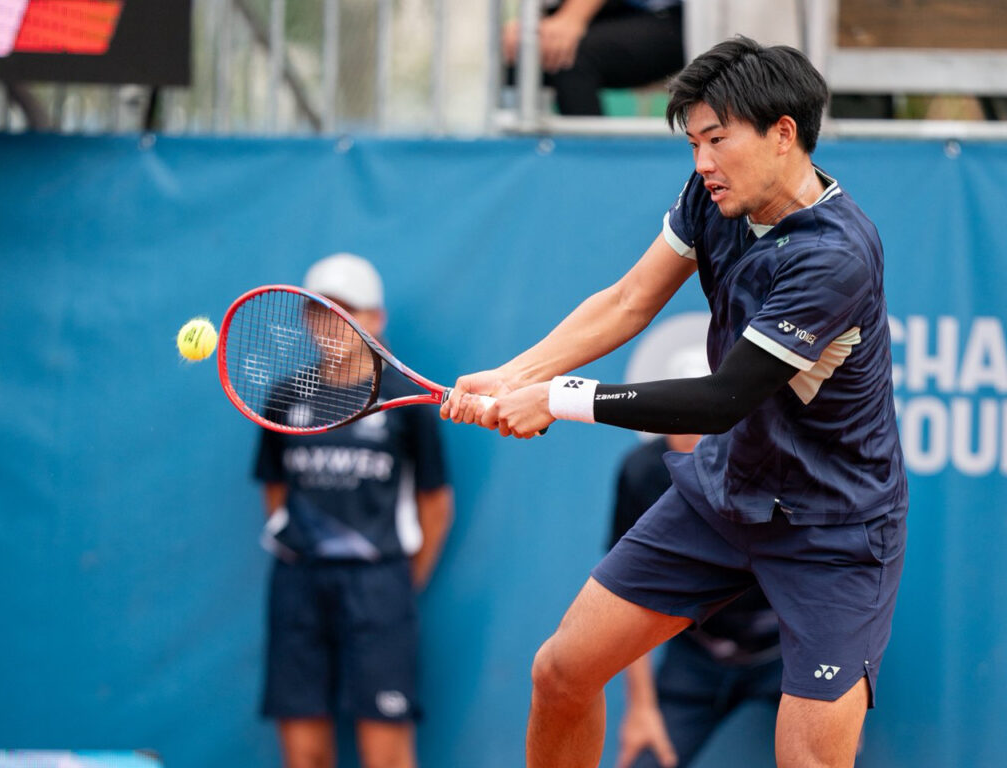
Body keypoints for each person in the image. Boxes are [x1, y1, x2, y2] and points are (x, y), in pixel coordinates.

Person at [443, 36, 908, 768]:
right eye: (694, 143)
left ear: (784, 133)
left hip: (835, 527)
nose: (702, 164)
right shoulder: (713, 198)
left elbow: (721, 399)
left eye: (717, 141)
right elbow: (629, 300)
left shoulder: (835, 256)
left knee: (808, 761)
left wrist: (558, 397)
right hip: (729, 493)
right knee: (561, 674)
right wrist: (513, 374)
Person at [254, 252, 453, 768]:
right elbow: (275, 489)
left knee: (387, 754)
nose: (332, 325)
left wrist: (398, 580)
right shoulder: (284, 398)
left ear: (375, 319)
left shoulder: (405, 400)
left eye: (347, 312)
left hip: (379, 588)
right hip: (299, 585)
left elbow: (435, 503)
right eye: (320, 312)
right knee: (304, 755)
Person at [610, 432, 782, 768]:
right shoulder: (641, 471)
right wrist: (641, 708)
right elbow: (629, 594)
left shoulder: (772, 461)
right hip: (696, 654)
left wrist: (837, 685)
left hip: (787, 652)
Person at [502, 0, 685, 116]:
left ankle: (591, 165)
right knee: (510, 57)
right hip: (617, 9)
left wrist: (571, 18)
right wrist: (532, 21)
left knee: (568, 55)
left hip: (686, 18)